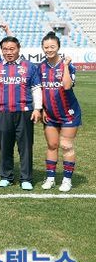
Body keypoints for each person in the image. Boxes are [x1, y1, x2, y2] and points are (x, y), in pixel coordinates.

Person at [0, 36, 42, 190]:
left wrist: (38, 108)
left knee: (25, 146)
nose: (9, 52)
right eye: (5, 49)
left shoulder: (29, 66)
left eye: (12, 49)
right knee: (4, 146)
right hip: (3, 111)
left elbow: (36, 88)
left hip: (24, 111)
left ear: (18, 49)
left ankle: (26, 178)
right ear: (1, 50)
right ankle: (6, 176)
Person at [39, 32, 81, 192]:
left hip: (69, 113)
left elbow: (67, 86)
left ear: (58, 47)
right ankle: (50, 178)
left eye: (52, 47)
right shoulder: (40, 67)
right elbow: (39, 90)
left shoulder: (67, 65)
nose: (49, 50)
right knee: (52, 145)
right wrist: (42, 109)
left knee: (66, 145)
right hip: (50, 114)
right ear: (42, 48)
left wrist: (65, 66)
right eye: (46, 47)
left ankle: (67, 180)